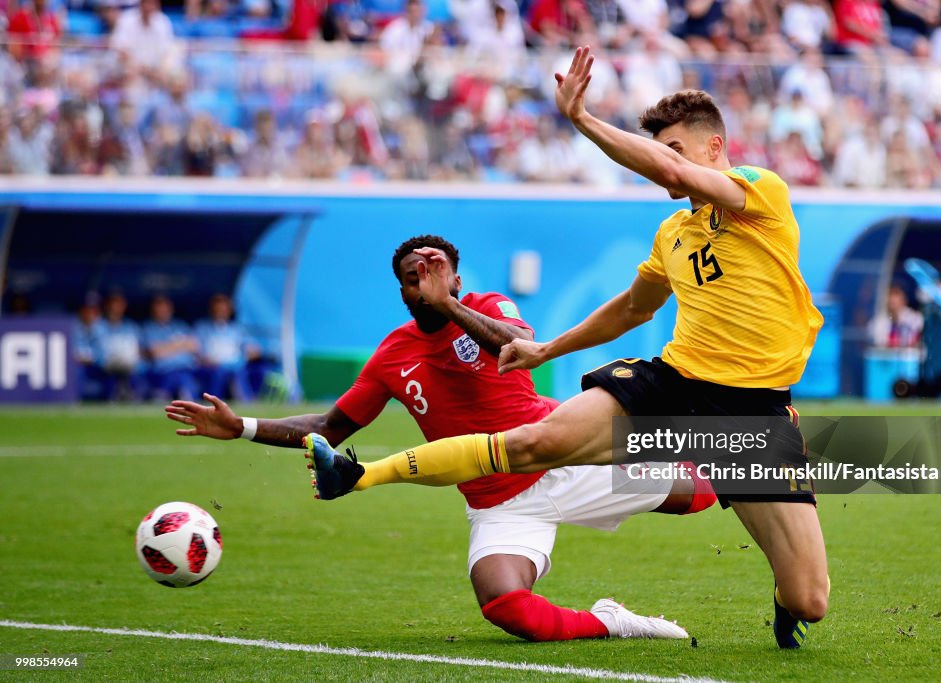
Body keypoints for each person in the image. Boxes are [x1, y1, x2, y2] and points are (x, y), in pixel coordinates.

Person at [311, 47, 829, 650]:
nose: (666, 163)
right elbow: (634, 308)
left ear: (715, 148)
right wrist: (546, 349)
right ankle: (363, 475)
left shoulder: (760, 193)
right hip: (673, 382)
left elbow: (680, 177)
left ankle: (769, 565)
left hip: (753, 411)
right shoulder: (673, 233)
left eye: (675, 148)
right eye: (659, 149)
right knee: (538, 442)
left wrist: (582, 119)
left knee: (808, 599)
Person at [166, 235, 716, 642]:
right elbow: (329, 429)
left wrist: (449, 306)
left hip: (563, 458)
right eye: (413, 276)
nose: (424, 281)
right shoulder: (392, 355)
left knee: (706, 489)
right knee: (507, 607)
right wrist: (243, 427)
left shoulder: (489, 308)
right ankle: (613, 621)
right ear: (402, 290)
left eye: (436, 271)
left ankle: (780, 436)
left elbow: (519, 343)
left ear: (456, 279)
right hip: (496, 501)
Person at [194, 293, 258, 402]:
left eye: (224, 309)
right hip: (211, 366)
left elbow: (252, 349)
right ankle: (214, 401)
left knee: (239, 371)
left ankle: (245, 400)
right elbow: (197, 351)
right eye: (217, 309)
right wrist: (207, 360)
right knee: (221, 372)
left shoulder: (237, 329)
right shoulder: (202, 328)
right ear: (212, 310)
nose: (221, 312)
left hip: (234, 365)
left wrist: (249, 353)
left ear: (230, 310)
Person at [142, 294, 198, 400]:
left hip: (185, 369)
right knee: (175, 377)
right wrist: (180, 345)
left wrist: (167, 347)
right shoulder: (148, 328)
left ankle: (182, 397)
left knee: (184, 377)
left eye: (165, 309)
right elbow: (155, 352)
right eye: (159, 309)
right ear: (153, 311)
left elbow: (193, 346)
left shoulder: (180, 325)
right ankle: (169, 395)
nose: (163, 312)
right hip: (162, 372)